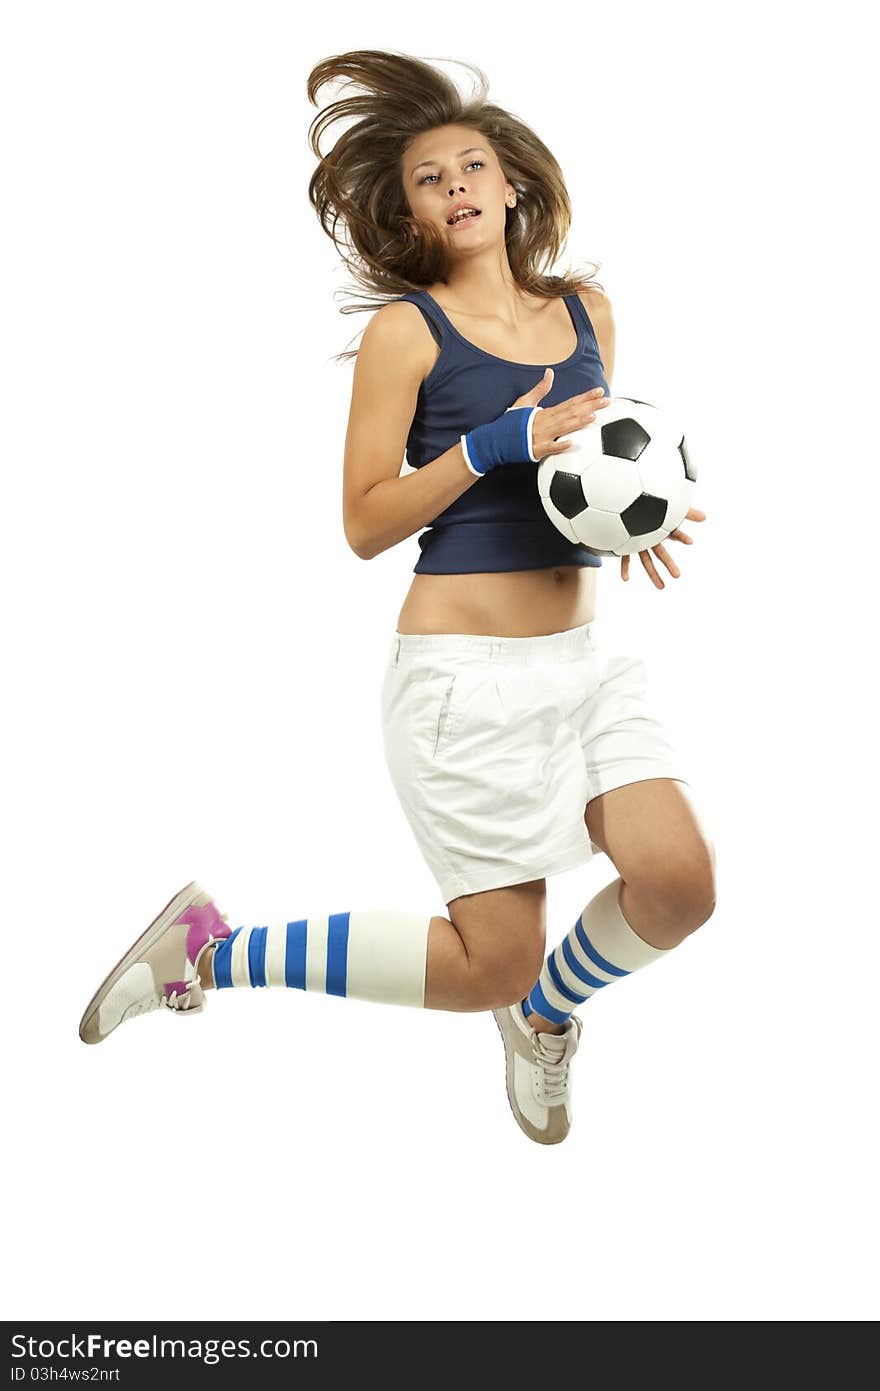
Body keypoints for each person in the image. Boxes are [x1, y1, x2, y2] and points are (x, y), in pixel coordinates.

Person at [78, 49, 716, 1146]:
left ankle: (547, 1014)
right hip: (460, 683)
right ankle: (207, 950)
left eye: (474, 163)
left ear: (514, 183)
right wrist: (488, 442)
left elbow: (589, 472)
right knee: (488, 962)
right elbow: (367, 522)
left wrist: (632, 522)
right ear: (409, 209)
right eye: (430, 176)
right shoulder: (405, 331)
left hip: (584, 659)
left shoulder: (588, 313)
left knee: (679, 885)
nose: (458, 184)